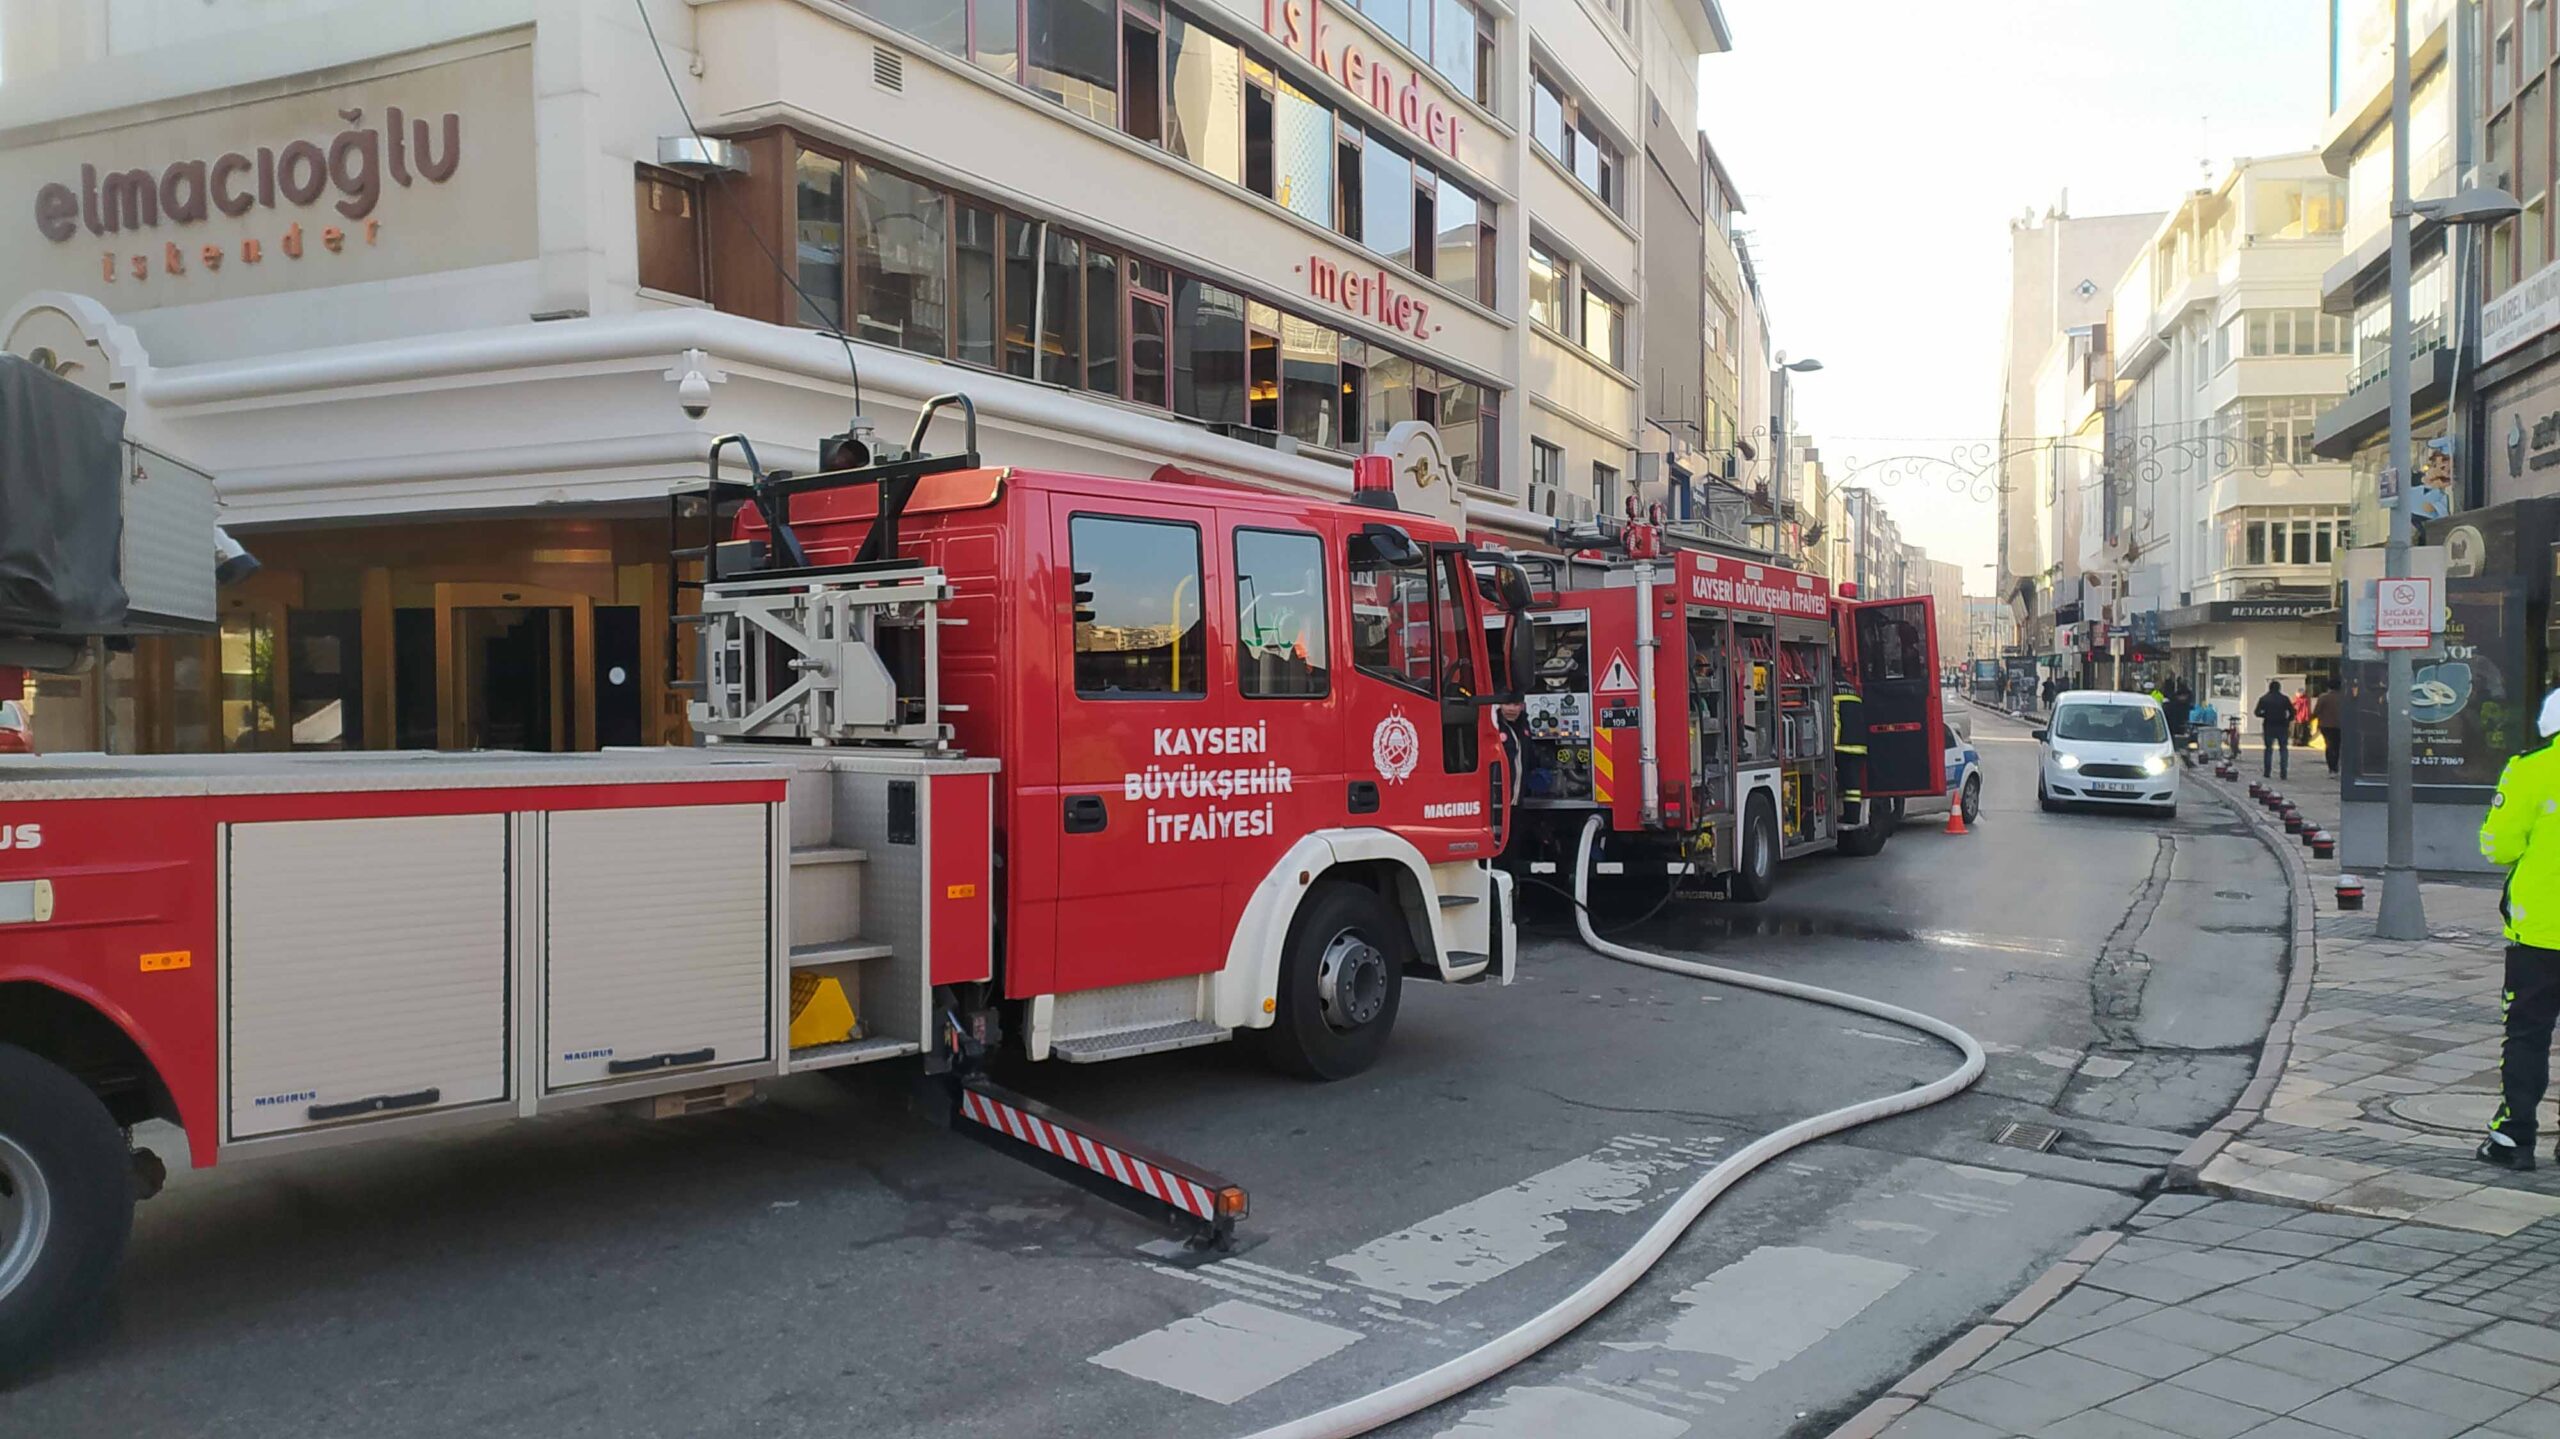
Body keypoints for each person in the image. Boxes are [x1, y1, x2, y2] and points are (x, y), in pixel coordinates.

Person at [2475, 689, 2560, 1172]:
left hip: (2541, 932)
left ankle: (2514, 1137)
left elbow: (2498, 846)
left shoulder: (2529, 768)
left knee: (2528, 1034)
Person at [2254, 679, 2294, 779]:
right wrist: (2287, 720)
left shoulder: (2264, 699)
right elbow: (2292, 712)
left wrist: (2266, 715)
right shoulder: (2284, 699)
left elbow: (2257, 712)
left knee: (2268, 749)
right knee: (2283, 749)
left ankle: (2267, 772)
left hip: (2269, 725)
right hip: (2282, 726)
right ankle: (2283, 772)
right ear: (2279, 688)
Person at [2312, 682, 2343, 775]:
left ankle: (2331, 767)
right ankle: (2336, 766)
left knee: (2329, 745)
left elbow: (2317, 711)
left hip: (2326, 725)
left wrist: (2312, 718)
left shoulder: (2323, 697)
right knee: (2337, 746)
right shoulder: (2343, 697)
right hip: (2339, 725)